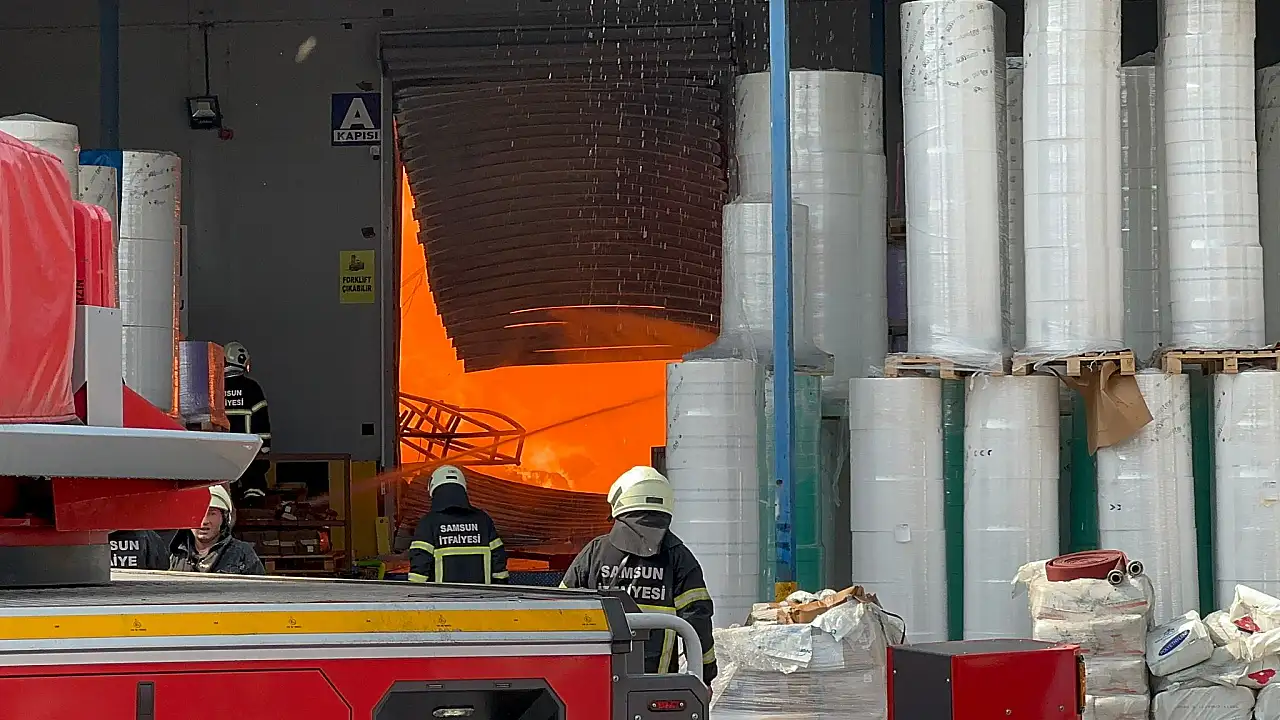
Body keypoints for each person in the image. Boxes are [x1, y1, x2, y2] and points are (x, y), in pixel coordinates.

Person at [559, 466, 717, 686]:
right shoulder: (679, 558)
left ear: (619, 503)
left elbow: (560, 610)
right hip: (656, 686)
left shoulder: (595, 552)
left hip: (596, 683)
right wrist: (706, 676)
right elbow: (698, 621)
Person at [408, 465, 509, 584]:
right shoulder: (483, 520)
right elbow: (499, 565)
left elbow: (419, 570)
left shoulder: (428, 523)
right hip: (482, 596)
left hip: (442, 596)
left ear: (433, 490)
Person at [169, 485, 265, 575]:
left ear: (224, 518)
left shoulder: (242, 553)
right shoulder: (176, 553)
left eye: (212, 513)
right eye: (197, 513)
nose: (204, 521)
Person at [223, 341, 271, 508]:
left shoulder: (214, 389)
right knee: (254, 486)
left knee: (225, 491)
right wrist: (265, 448)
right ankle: (252, 500)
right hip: (249, 451)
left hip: (221, 452)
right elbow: (261, 420)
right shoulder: (252, 388)